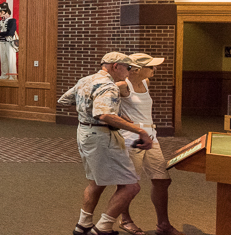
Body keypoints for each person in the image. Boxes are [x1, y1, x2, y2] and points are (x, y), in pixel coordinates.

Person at [58, 52, 153, 235]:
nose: (129, 73)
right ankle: (103, 227)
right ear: (115, 66)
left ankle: (83, 224)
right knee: (131, 186)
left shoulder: (86, 80)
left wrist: (92, 111)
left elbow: (65, 100)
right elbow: (105, 115)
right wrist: (140, 131)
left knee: (96, 182)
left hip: (84, 133)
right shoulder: (108, 86)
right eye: (128, 68)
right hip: (102, 137)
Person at [115, 53, 182, 235]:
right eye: (151, 67)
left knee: (162, 180)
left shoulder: (145, 83)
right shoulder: (122, 86)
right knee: (129, 183)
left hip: (151, 135)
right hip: (132, 137)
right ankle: (125, 219)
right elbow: (102, 106)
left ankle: (163, 225)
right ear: (136, 69)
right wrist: (122, 118)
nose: (154, 69)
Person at [0, 2, 19, 79]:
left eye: (1, 12)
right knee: (3, 60)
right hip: (2, 42)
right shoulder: (0, 22)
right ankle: (4, 75)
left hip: (9, 42)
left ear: (7, 12)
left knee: (11, 60)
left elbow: (11, 32)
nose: (0, 14)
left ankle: (12, 76)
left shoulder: (12, 21)